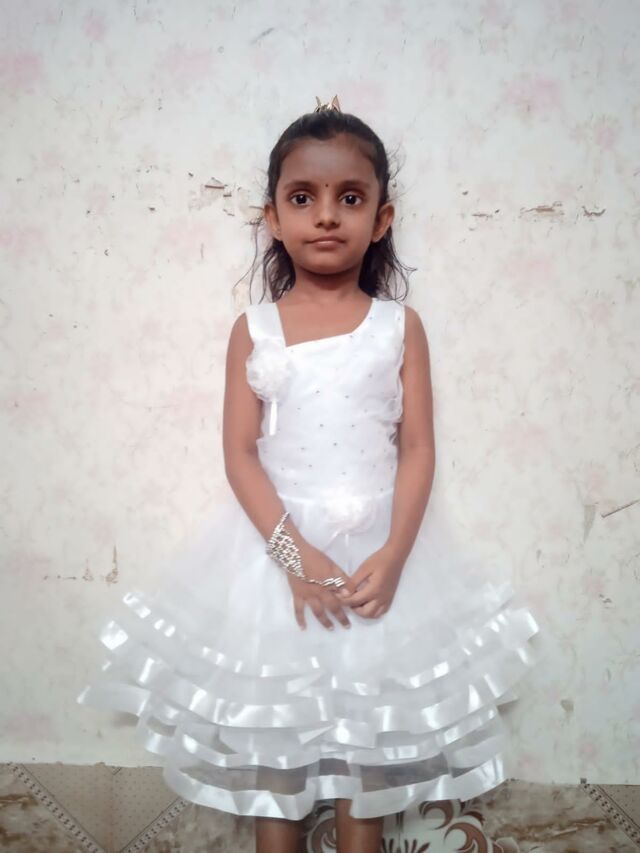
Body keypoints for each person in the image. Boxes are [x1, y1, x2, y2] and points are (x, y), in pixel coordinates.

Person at [77, 96, 540, 853]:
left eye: (349, 198)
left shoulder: (399, 327)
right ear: (272, 217)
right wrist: (294, 558)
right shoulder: (254, 329)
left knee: (369, 745)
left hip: (379, 560)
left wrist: (394, 555)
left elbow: (417, 447)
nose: (326, 216)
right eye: (303, 198)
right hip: (276, 560)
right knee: (278, 751)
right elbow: (240, 452)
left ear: (381, 219)